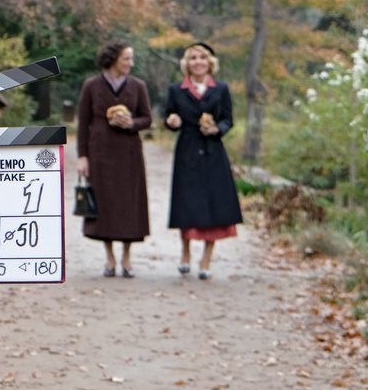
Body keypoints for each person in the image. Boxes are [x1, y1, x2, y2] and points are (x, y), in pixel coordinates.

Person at [164, 42, 243, 280]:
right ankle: (185, 252)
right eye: (193, 58)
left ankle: (206, 258)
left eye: (202, 58)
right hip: (187, 150)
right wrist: (172, 122)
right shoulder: (176, 90)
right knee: (186, 203)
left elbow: (228, 119)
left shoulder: (221, 89)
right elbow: (168, 116)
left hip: (213, 151)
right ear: (186, 64)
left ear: (210, 62)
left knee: (214, 205)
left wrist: (217, 129)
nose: (198, 62)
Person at [76, 40, 152, 278]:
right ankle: (109, 257)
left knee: (129, 204)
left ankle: (127, 257)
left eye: (131, 58)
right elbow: (83, 123)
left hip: (129, 152)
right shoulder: (92, 86)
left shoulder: (138, 86)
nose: (131, 63)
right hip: (100, 152)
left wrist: (132, 123)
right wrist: (82, 156)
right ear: (113, 59)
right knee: (105, 203)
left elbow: (147, 118)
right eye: (127, 58)